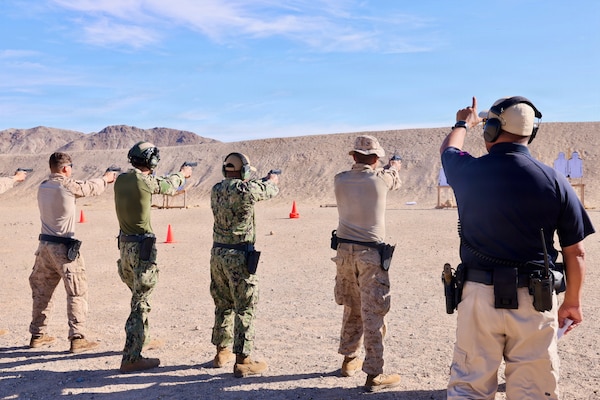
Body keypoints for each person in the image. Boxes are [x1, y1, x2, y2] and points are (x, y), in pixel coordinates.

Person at [440, 96, 595, 399]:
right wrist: (572, 302)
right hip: (535, 300)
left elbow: (449, 149)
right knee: (534, 390)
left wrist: (463, 122)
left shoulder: (467, 171)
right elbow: (575, 252)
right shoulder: (554, 180)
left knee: (469, 387)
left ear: (492, 130)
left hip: (478, 297)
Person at [114, 141, 192, 373]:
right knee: (141, 302)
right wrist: (183, 174)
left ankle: (140, 339)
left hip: (125, 247)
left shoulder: (121, 179)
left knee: (138, 297)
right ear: (152, 161)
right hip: (141, 248)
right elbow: (169, 185)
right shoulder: (143, 180)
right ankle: (132, 356)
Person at [332, 135, 402, 392]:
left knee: (351, 306)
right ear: (375, 158)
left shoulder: (340, 179)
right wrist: (394, 166)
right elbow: (393, 178)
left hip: (343, 253)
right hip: (370, 255)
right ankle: (374, 373)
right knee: (374, 312)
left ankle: (349, 359)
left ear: (353, 156)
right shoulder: (381, 179)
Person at [29, 152, 116, 353]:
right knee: (77, 291)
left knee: (42, 292)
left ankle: (37, 335)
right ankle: (77, 338)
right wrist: (106, 179)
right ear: (66, 168)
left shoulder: (43, 186)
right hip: (63, 248)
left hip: (44, 247)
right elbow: (90, 188)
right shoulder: (67, 185)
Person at [210, 152, 279, 378]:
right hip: (239, 254)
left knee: (223, 304)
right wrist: (271, 180)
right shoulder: (246, 190)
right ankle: (243, 360)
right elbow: (270, 190)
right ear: (245, 172)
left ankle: (221, 352)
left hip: (218, 253)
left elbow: (239, 188)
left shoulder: (216, 189)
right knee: (245, 307)